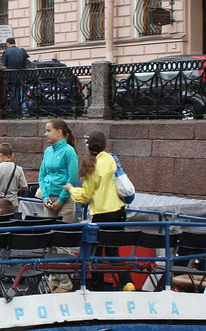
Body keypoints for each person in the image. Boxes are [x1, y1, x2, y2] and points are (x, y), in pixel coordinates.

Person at [67, 131, 134, 292]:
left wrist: (71, 190)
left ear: (89, 147)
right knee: (113, 251)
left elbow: (85, 196)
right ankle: (127, 282)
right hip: (119, 210)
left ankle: (97, 287)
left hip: (102, 214)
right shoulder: (111, 159)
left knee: (95, 252)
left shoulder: (91, 166)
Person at [38, 119, 79, 293]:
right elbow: (42, 175)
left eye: (48, 130)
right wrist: (46, 197)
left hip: (65, 201)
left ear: (60, 132)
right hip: (50, 200)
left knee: (62, 243)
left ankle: (66, 284)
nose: (45, 134)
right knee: (52, 243)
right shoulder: (48, 151)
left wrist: (60, 200)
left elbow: (72, 177)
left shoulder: (69, 152)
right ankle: (54, 278)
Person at [0, 142, 27, 208]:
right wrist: (15, 193)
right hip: (13, 203)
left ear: (0, 154)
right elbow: (24, 188)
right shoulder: (19, 169)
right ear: (12, 155)